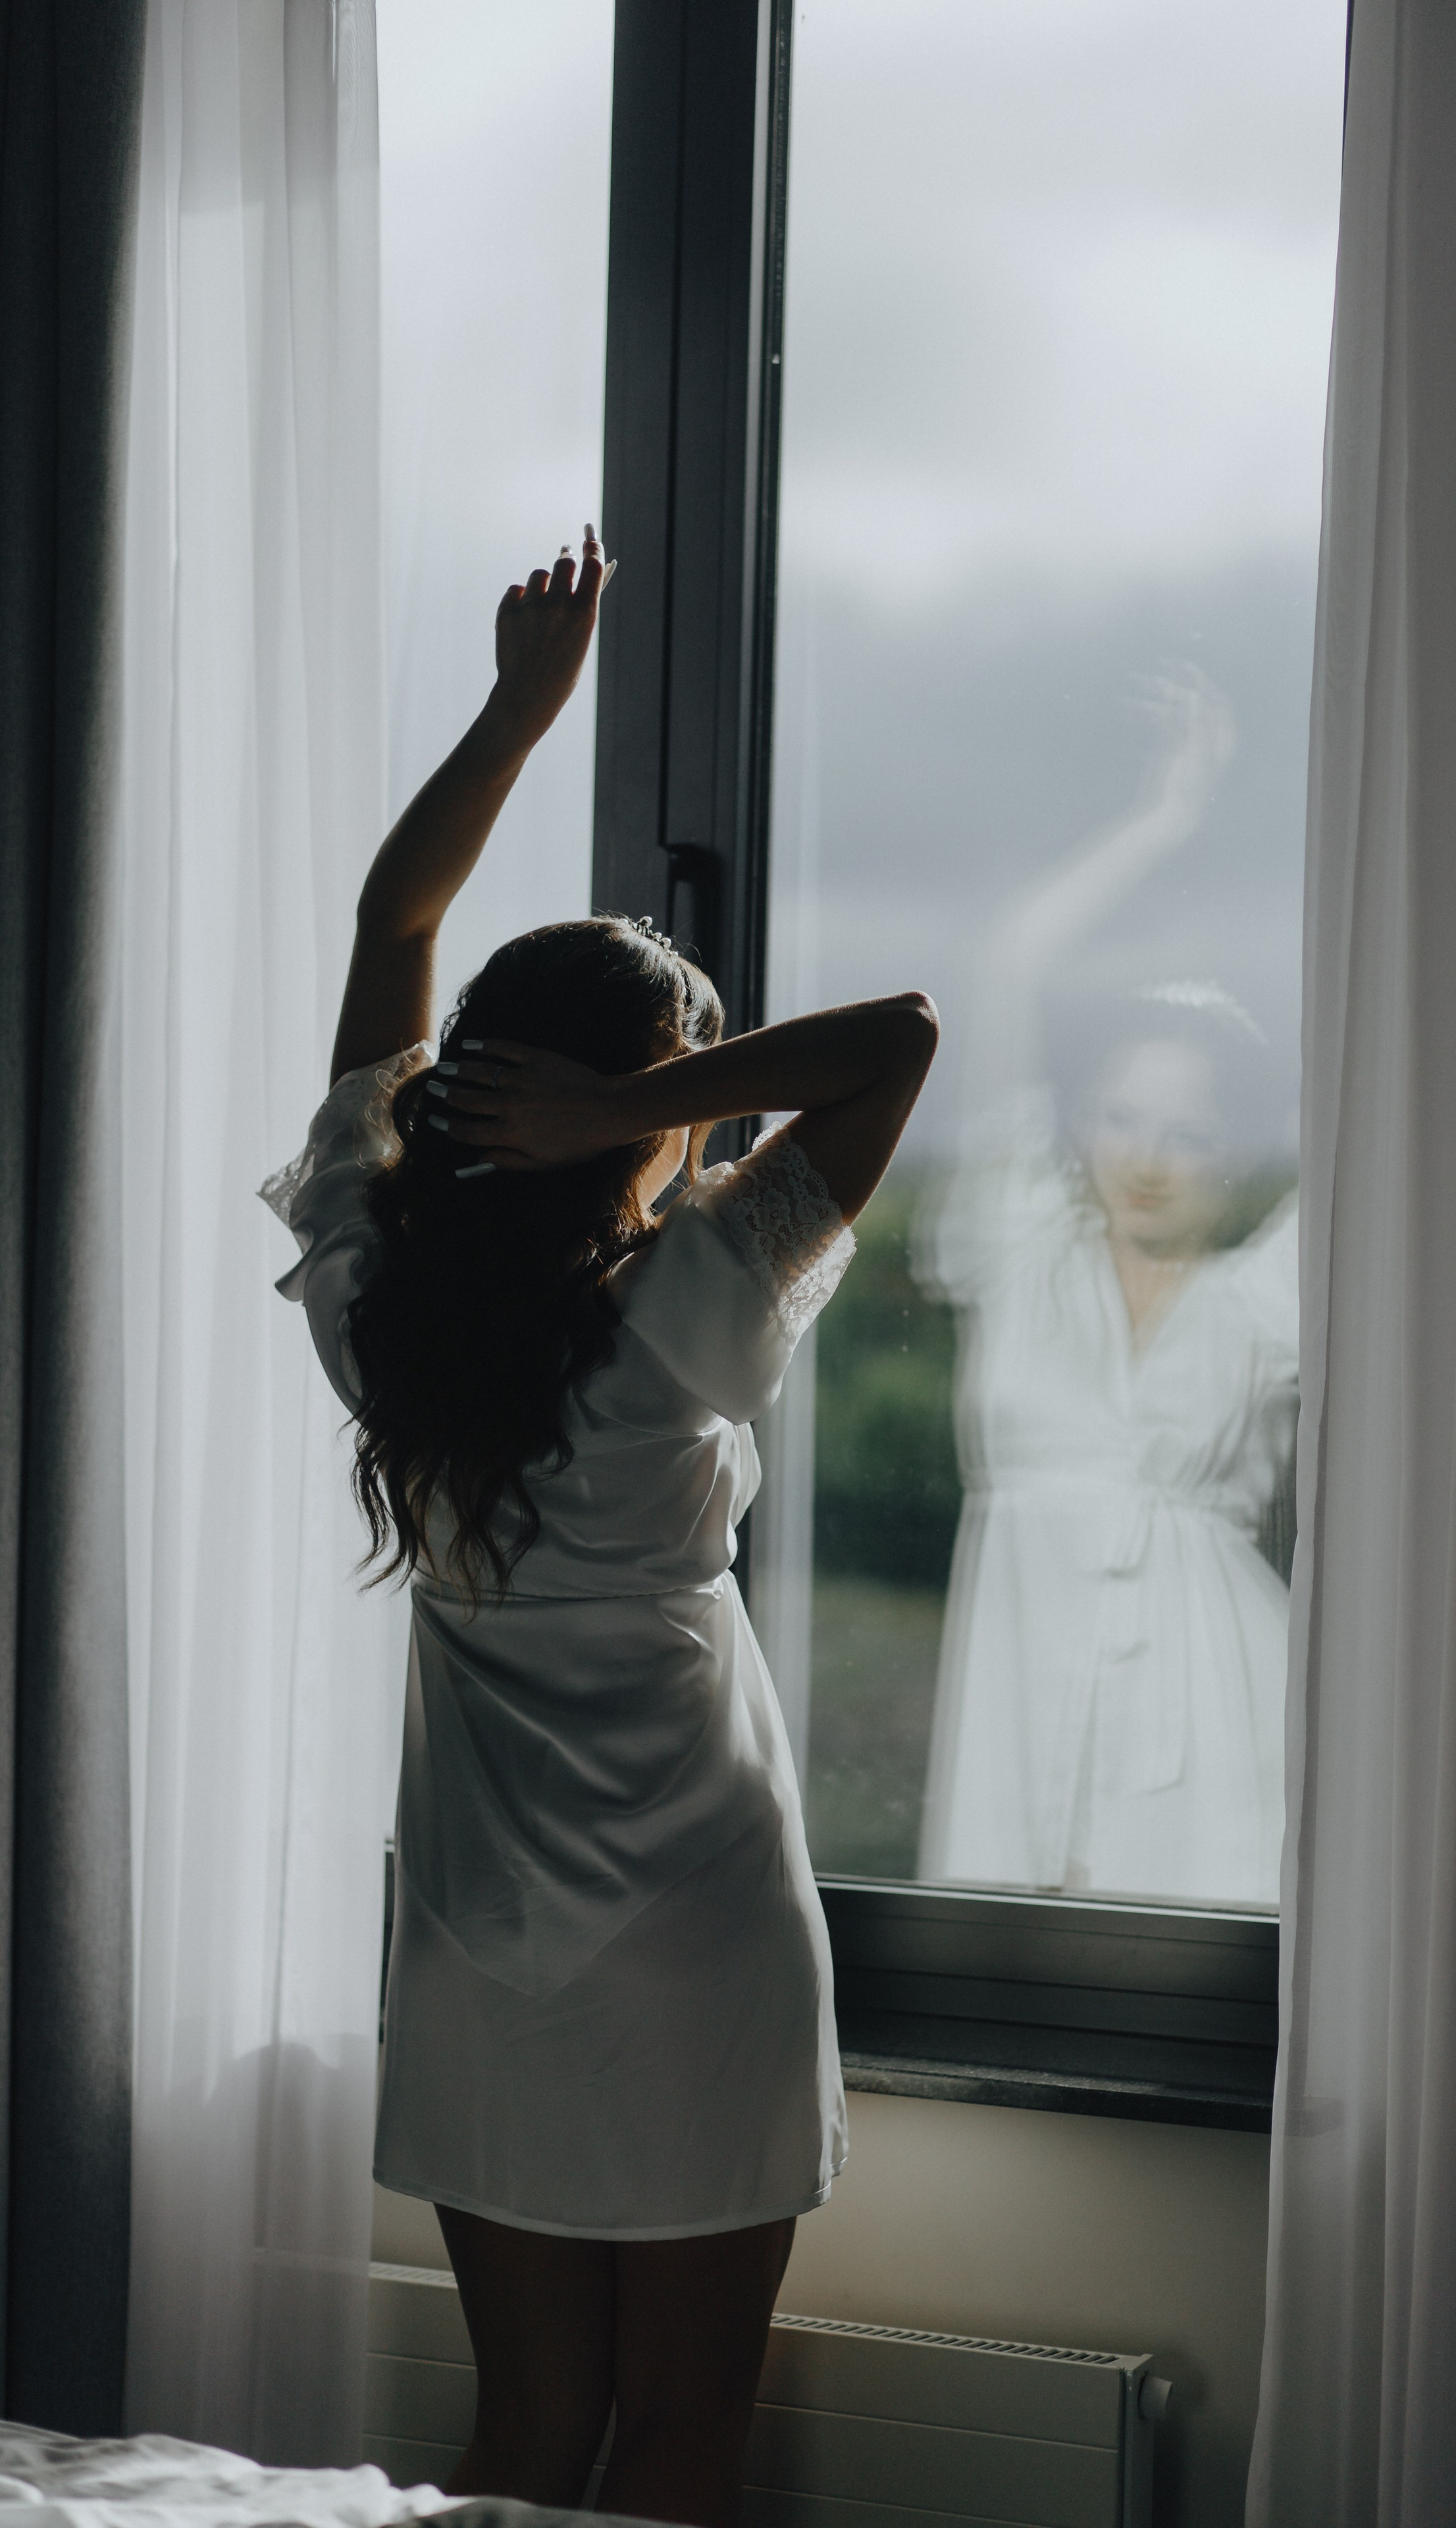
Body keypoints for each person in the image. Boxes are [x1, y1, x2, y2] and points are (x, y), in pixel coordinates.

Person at [262, 529, 937, 2525]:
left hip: (486, 1954)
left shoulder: (376, 1297)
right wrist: (620, 1124)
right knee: (684, 2444)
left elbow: (399, 914)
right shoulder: (701, 1299)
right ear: (659, 1117)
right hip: (701, 1945)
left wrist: (517, 709)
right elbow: (893, 1036)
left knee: (530, 2442)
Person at [917, 674, 1298, 1907]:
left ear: (1239, 1154)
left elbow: (1399, 1082)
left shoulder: (1265, 1302)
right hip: (1017, 1709)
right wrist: (1166, 821)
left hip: (1221, 1736)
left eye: (1186, 1132)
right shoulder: (1021, 1254)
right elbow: (1010, 964)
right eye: (1120, 1118)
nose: (1143, 1156)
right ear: (1080, 1127)